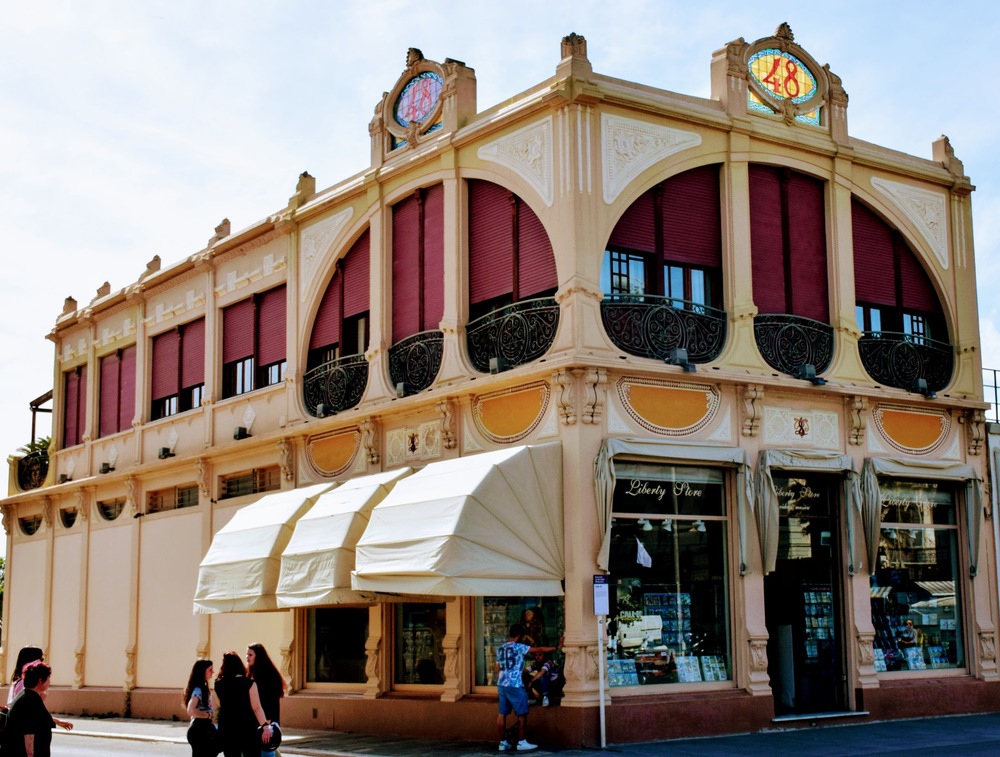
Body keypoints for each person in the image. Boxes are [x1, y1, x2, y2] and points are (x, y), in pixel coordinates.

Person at [495, 623, 559, 752]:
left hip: (502, 684)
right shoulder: (519, 647)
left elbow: (497, 668)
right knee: (522, 714)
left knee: (502, 714)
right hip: (515, 684)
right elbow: (539, 649)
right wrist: (556, 647)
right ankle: (521, 742)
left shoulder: (501, 648)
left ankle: (502, 743)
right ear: (519, 636)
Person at [4, 661, 72, 757]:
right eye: (48, 678)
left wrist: (58, 721)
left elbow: (35, 718)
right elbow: (28, 733)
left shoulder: (26, 695)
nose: (49, 682)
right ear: (40, 680)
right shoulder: (30, 700)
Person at [214, 651, 270, 757]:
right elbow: (256, 708)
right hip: (247, 728)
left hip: (227, 728)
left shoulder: (218, 684)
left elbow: (218, 705)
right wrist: (265, 726)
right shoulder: (249, 683)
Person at [245, 643, 284, 737]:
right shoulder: (250, 674)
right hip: (254, 722)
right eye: (246, 654)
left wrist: (267, 722)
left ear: (258, 657)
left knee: (266, 748)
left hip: (266, 722)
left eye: (250, 655)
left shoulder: (269, 675)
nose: (247, 657)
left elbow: (271, 701)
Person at [184, 658, 218, 757]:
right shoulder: (199, 689)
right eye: (210, 670)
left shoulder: (203, 687)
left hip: (202, 729)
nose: (213, 672)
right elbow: (191, 710)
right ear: (203, 671)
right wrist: (207, 715)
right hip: (200, 730)